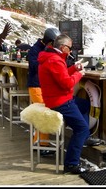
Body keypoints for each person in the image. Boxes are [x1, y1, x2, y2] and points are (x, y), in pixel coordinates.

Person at [38, 34, 87, 174]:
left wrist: (74, 69)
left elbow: (61, 75)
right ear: (63, 47)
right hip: (60, 101)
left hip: (55, 99)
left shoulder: (50, 57)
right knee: (82, 129)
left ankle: (83, 136)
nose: (71, 51)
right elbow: (67, 84)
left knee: (84, 105)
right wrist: (80, 74)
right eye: (70, 48)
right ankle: (71, 164)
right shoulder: (55, 60)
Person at [28, 28, 59, 154]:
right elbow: (34, 66)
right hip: (36, 86)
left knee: (44, 114)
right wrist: (48, 60)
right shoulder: (35, 50)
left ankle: (40, 143)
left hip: (42, 86)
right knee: (44, 115)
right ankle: (41, 145)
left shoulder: (45, 49)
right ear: (49, 41)